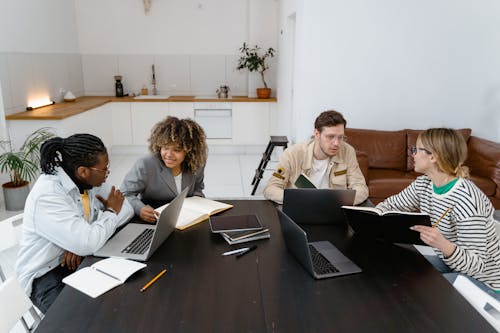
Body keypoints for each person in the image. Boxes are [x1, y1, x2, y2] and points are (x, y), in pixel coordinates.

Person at [16, 134, 134, 313]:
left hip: (78, 261)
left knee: (121, 302)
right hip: (46, 275)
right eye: (104, 169)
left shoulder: (88, 180)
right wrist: (109, 213)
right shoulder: (48, 195)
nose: (107, 174)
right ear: (83, 171)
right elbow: (88, 242)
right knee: (84, 321)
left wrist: (80, 240)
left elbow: (127, 208)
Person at [375, 128, 500, 296]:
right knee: (399, 269)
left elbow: (478, 266)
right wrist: (373, 217)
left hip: (485, 281)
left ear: (433, 157)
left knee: (419, 294)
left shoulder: (467, 199)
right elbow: (390, 205)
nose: (412, 154)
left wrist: (444, 245)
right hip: (449, 262)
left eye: (416, 150)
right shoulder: (424, 183)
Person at [263, 110, 369, 205]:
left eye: (340, 137)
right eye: (330, 137)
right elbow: (271, 188)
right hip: (301, 210)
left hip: (334, 210)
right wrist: (299, 200)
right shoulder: (292, 154)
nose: (336, 143)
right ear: (317, 134)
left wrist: (337, 202)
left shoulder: (347, 151)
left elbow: (361, 188)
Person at [121, 116, 208, 222]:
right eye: (165, 148)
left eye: (177, 150)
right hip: (153, 218)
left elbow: (197, 189)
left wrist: (197, 201)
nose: (169, 155)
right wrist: (140, 209)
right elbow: (124, 194)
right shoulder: (146, 164)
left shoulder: (196, 163)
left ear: (189, 151)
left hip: (185, 218)